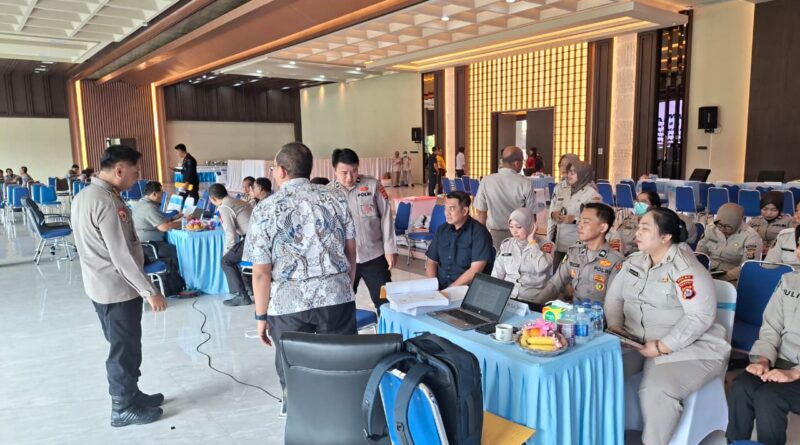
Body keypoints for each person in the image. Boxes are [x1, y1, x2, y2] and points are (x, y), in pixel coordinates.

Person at [244, 142, 357, 418]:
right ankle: (342, 414)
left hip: (288, 304)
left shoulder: (265, 209)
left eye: (274, 168)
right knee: (340, 361)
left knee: (293, 365)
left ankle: (297, 411)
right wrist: (345, 287)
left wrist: (261, 316)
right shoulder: (336, 198)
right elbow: (351, 251)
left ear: (282, 171)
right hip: (336, 296)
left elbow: (261, 272)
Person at [605, 207, 730, 445]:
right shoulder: (634, 261)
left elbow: (700, 317)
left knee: (657, 390)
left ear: (665, 237)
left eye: (645, 228)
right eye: (638, 227)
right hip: (637, 341)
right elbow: (614, 299)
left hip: (687, 347)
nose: (637, 233)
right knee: (601, 373)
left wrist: (662, 346)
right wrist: (616, 326)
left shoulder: (685, 269)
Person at [71, 145, 167, 427]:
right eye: (135, 172)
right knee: (123, 351)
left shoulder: (85, 195)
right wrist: (150, 291)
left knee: (125, 345)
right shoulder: (107, 202)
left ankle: (132, 395)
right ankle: (122, 407)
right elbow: (121, 255)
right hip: (116, 289)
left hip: (100, 285)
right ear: (119, 170)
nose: (137, 178)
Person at [727, 235, 800, 445]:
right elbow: (771, 326)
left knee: (770, 397)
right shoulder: (789, 281)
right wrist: (763, 359)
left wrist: (795, 373)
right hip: (782, 360)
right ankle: (735, 442)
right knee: (742, 386)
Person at [331, 148, 397, 314]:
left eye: (354, 171)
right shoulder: (328, 193)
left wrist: (390, 249)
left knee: (385, 304)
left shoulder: (372, 185)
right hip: (343, 260)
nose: (349, 177)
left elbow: (386, 217)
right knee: (342, 306)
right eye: (344, 173)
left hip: (374, 256)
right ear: (334, 170)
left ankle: (386, 330)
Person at [538, 202, 623, 305]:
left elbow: (614, 302)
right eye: (580, 221)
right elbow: (555, 284)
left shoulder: (616, 261)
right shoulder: (574, 252)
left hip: (599, 314)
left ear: (603, 228)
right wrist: (534, 305)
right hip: (573, 311)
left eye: (585, 222)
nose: (579, 226)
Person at [426, 191, 494, 290]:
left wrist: (448, 291)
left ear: (464, 211)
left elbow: (475, 270)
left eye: (451, 208)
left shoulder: (479, 233)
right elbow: (431, 262)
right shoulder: (442, 230)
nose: (447, 213)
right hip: (439, 288)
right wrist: (433, 288)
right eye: (445, 208)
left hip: (465, 290)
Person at [474, 146, 537, 248]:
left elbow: (481, 213)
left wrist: (481, 238)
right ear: (516, 163)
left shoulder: (486, 181)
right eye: (522, 161)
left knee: (495, 257)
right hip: (519, 235)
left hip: (494, 235)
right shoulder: (525, 183)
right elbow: (531, 215)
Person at [132, 181, 186, 296]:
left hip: (143, 244)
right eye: (161, 193)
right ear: (154, 194)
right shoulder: (148, 207)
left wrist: (173, 218)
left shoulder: (141, 203)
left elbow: (159, 219)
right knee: (178, 251)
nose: (162, 196)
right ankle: (175, 285)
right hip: (149, 246)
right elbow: (164, 227)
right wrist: (183, 222)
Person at [491, 207, 554, 305]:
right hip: (509, 298)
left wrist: (532, 242)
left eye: (519, 227)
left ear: (530, 226)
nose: (514, 231)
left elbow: (542, 266)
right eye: (511, 227)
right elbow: (496, 275)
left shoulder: (546, 245)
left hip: (534, 300)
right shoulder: (506, 245)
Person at [609, 190, 697, 256]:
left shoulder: (662, 224)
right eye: (637, 201)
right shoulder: (628, 221)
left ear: (654, 207)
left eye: (643, 202)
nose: (638, 204)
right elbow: (616, 240)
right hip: (623, 257)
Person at [208, 184, 253, 306]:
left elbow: (230, 234)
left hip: (252, 240)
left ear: (213, 199)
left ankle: (242, 295)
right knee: (235, 256)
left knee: (226, 261)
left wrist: (227, 251)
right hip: (257, 238)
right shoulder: (237, 201)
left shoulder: (224, 207)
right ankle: (249, 288)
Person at [551, 159, 602, 266]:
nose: (569, 174)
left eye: (574, 172)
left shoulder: (592, 195)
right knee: (557, 273)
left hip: (578, 245)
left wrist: (575, 219)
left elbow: (596, 221)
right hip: (559, 244)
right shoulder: (564, 191)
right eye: (569, 171)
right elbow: (555, 209)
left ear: (583, 174)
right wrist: (554, 214)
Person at [696, 203, 763, 282]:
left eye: (727, 226)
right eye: (720, 225)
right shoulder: (712, 228)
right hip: (708, 270)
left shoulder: (751, 237)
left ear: (738, 223)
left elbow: (747, 266)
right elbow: (699, 251)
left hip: (733, 276)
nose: (722, 229)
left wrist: (723, 278)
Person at [547, 153, 580, 242]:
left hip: (578, 239)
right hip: (560, 239)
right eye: (561, 165)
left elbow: (594, 219)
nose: (564, 168)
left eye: (567, 165)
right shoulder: (558, 187)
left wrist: (575, 219)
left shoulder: (588, 188)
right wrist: (549, 240)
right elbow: (551, 214)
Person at [765, 202, 800, 268]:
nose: (797, 214)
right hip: (786, 275)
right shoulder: (784, 236)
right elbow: (769, 266)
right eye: (797, 210)